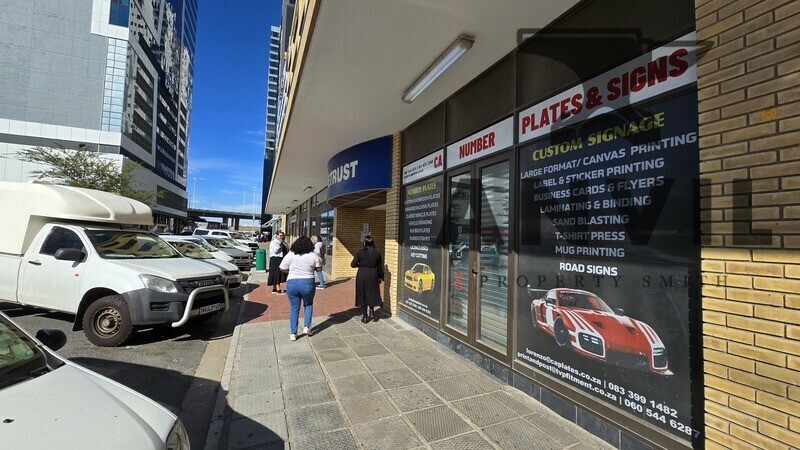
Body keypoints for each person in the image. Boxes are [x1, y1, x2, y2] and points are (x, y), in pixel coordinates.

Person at [279, 236, 322, 340]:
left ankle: (293, 333)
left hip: (292, 282)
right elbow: (319, 268)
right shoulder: (313, 255)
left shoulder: (291, 254)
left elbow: (282, 268)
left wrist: (291, 271)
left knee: (294, 308)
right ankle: (306, 327)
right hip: (307, 282)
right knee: (308, 304)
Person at [351, 235, 384, 323]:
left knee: (363, 294)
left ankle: (365, 317)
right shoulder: (377, 253)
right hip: (373, 274)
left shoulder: (360, 252)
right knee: (371, 293)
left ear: (365, 243)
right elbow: (380, 268)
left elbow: (353, 264)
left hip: (362, 274)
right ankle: (372, 311)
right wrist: (380, 277)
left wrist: (360, 265)